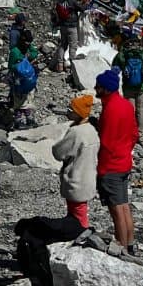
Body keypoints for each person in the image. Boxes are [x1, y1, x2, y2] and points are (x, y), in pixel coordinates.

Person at [95, 69, 140, 254]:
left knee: (117, 211)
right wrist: (126, 149)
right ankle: (130, 244)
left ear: (106, 89)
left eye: (98, 86)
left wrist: (100, 168)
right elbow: (134, 133)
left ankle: (122, 250)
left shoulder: (110, 110)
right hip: (124, 162)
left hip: (110, 166)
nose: (95, 88)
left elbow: (106, 142)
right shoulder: (126, 105)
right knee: (124, 206)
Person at [52, 94, 99, 228]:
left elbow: (59, 152)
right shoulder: (92, 130)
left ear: (79, 113)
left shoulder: (76, 132)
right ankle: (75, 231)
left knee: (77, 213)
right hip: (88, 177)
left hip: (76, 179)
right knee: (79, 209)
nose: (68, 112)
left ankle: (81, 233)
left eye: (71, 110)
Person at [113, 34, 143, 140]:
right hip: (141, 87)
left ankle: (129, 133)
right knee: (141, 110)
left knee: (130, 110)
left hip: (128, 87)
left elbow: (114, 69)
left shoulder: (122, 54)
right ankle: (141, 135)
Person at [8, 28, 42, 129]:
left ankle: (29, 118)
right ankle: (18, 120)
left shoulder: (28, 48)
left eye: (29, 43)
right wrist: (19, 66)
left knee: (28, 97)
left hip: (28, 78)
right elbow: (10, 66)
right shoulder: (14, 51)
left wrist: (29, 55)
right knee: (19, 99)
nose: (27, 45)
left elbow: (34, 52)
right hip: (18, 79)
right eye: (26, 43)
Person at [52, 0, 82, 72]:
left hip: (62, 25)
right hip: (71, 26)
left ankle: (60, 65)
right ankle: (73, 68)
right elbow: (81, 8)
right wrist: (87, 5)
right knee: (73, 45)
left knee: (63, 45)